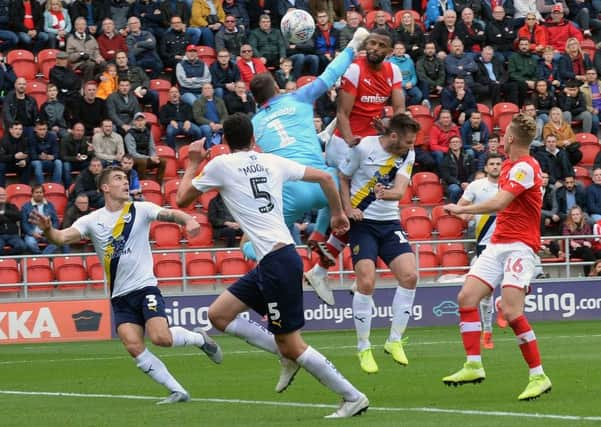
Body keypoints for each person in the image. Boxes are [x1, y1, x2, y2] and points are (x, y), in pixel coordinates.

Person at [175, 113, 369, 418]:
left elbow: (183, 199)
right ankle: (287, 356)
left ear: (225, 141)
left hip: (278, 261)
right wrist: (337, 214)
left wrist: (191, 163)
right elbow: (324, 177)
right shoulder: (271, 161)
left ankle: (352, 396)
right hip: (275, 260)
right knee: (219, 315)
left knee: (292, 344)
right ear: (253, 139)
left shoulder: (221, 165)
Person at [28, 166, 223, 405]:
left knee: (161, 338)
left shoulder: (141, 209)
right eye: (119, 179)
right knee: (133, 345)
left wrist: (190, 220)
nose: (125, 182)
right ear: (105, 187)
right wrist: (48, 229)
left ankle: (200, 340)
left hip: (145, 288)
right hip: (119, 296)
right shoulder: (92, 220)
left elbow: (171, 214)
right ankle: (178, 391)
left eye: (126, 178)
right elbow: (60, 238)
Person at [249, 28, 370, 305]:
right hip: (322, 183)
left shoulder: (254, 124)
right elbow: (330, 74)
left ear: (256, 100)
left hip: (290, 192)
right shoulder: (298, 98)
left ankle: (276, 252)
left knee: (258, 242)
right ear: (278, 89)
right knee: (336, 182)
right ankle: (318, 233)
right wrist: (353, 44)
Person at [442, 113, 552, 401]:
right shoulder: (508, 167)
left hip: (519, 246)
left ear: (511, 138)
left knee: (513, 313)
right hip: (497, 245)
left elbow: (500, 203)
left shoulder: (526, 168)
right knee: (467, 298)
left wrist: (462, 209)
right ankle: (473, 365)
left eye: (504, 134)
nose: (501, 138)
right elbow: (502, 206)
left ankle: (538, 375)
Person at [337, 114, 419, 373]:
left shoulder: (407, 154)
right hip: (363, 224)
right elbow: (342, 177)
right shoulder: (364, 148)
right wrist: (348, 209)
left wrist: (388, 193)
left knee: (410, 276)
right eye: (407, 141)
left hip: (389, 223)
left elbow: (400, 191)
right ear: (393, 135)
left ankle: (394, 341)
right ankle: (363, 347)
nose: (411, 145)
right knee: (367, 281)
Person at [456, 153, 503, 349]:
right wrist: (467, 215)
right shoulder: (477, 186)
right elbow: (459, 208)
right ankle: (487, 331)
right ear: (486, 167)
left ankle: (502, 304)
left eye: (498, 163)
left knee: (520, 282)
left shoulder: (508, 185)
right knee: (486, 292)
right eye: (491, 164)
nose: (495, 167)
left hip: (509, 240)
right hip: (485, 243)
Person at [124, 112, 167, 182]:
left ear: (145, 121)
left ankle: (158, 184)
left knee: (162, 161)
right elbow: (132, 153)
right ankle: (142, 183)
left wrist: (154, 156)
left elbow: (152, 147)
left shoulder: (148, 132)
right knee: (143, 162)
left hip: (146, 157)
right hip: (134, 159)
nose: (140, 122)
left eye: (142, 120)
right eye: (138, 120)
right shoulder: (129, 134)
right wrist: (149, 158)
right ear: (134, 122)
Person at [21, 185, 60, 255]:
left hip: (47, 233)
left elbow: (56, 221)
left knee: (57, 241)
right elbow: (24, 224)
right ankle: (42, 257)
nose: (39, 194)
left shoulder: (50, 205)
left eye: (41, 192)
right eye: (37, 192)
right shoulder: (26, 206)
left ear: (43, 193)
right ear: (32, 194)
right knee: (30, 243)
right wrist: (32, 233)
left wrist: (50, 231)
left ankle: (42, 257)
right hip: (32, 234)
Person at [66, 17, 106, 82]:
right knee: (90, 65)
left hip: (92, 60)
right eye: (78, 25)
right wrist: (80, 54)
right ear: (75, 26)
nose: (81, 26)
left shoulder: (91, 38)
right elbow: (70, 57)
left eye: (83, 24)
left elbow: (96, 50)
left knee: (103, 63)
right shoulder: (71, 39)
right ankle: (88, 84)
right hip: (78, 63)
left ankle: (99, 82)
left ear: (86, 26)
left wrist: (98, 57)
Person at [440, 136, 477, 203]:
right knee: (455, 189)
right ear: (450, 145)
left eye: (457, 142)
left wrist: (468, 182)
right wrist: (459, 183)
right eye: (453, 142)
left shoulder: (468, 156)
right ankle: (454, 207)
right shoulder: (445, 159)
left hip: (467, 182)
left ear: (461, 144)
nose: (455, 144)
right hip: (453, 183)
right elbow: (446, 176)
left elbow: (473, 172)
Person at [562, 205, 595, 276]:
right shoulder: (566, 226)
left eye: (577, 214)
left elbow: (590, 239)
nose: (575, 216)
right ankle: (589, 275)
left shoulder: (586, 225)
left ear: (581, 215)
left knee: (596, 252)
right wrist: (583, 242)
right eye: (573, 215)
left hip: (585, 250)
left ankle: (592, 275)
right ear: (570, 216)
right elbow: (569, 241)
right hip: (573, 251)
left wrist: (578, 242)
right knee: (587, 250)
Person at [29, 121, 63, 185]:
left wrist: (52, 157)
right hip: (36, 162)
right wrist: (39, 157)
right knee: (37, 163)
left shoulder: (52, 136)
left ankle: (55, 186)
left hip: (49, 161)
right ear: (35, 129)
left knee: (58, 162)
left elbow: (57, 153)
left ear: (47, 129)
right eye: (40, 129)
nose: (42, 132)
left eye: (44, 129)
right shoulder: (31, 138)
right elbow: (31, 155)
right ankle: (42, 188)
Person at [0, 122, 31, 188]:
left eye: (20, 129)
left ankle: (25, 189)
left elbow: (29, 154)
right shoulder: (4, 140)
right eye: (16, 129)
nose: (18, 131)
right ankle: (1, 189)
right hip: (8, 164)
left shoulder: (25, 139)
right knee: (1, 166)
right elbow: (1, 157)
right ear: (10, 130)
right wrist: (14, 156)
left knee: (28, 165)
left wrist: (25, 161)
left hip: (19, 164)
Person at [0, 186, 26, 256]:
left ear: (6, 196)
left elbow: (19, 216)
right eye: (0, 195)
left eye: (3, 195)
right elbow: (13, 216)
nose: (2, 197)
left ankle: (8, 256)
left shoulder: (12, 206)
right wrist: (10, 218)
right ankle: (5, 258)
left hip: (13, 235)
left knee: (22, 246)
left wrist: (4, 213)